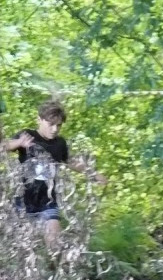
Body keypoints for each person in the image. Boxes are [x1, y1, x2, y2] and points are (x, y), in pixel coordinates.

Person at [4, 100, 106, 247]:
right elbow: (4, 147)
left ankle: (55, 264)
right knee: (23, 249)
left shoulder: (60, 143)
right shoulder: (27, 135)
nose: (54, 129)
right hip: (23, 202)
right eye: (50, 124)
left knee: (55, 244)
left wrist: (94, 174)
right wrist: (18, 143)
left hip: (48, 202)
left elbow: (70, 162)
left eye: (58, 125)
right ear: (39, 120)